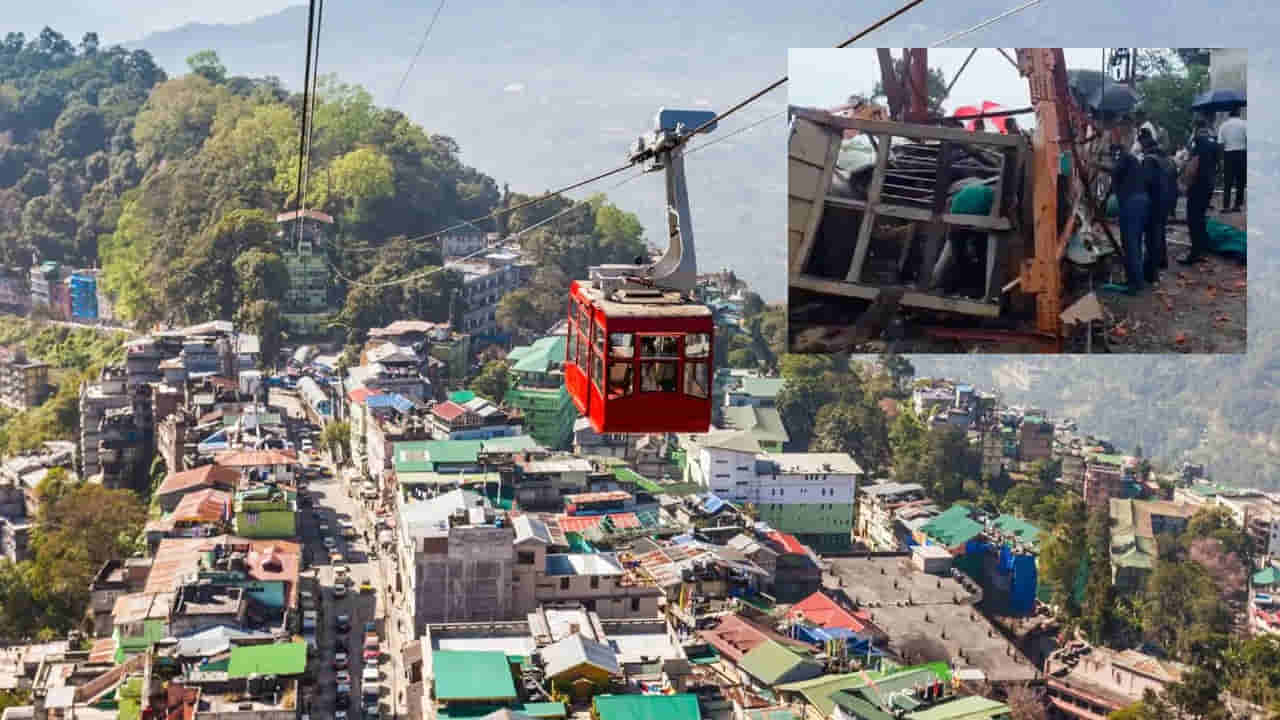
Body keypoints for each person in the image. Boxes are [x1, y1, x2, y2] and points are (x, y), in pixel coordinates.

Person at [1105, 119, 1151, 294]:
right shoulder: (1129, 160)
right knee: (1135, 243)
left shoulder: (1125, 157)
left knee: (1130, 243)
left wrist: (1094, 164)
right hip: (1139, 203)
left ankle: (1134, 285)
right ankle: (1136, 279)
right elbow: (1114, 184)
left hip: (1133, 204)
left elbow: (1113, 171)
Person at [1179, 116, 1218, 264]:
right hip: (1209, 185)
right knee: (1200, 217)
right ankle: (1202, 249)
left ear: (1195, 127)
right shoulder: (1213, 142)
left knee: (1193, 219)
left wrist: (1185, 184)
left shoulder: (1198, 142)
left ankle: (1194, 254)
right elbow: (1216, 165)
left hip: (1197, 186)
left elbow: (1193, 167)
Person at [1140, 130, 1174, 279]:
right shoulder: (1167, 158)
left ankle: (1150, 273)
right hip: (1167, 200)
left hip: (1154, 201)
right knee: (1160, 233)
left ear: (1144, 145)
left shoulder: (1149, 160)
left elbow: (1145, 182)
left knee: (1152, 237)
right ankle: (1162, 261)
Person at [1217, 107, 1246, 212]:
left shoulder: (1223, 126)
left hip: (1228, 154)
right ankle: (1237, 205)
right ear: (1238, 114)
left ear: (1229, 115)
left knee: (1227, 181)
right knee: (1240, 181)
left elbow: (1220, 143)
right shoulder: (1244, 124)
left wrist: (1221, 159)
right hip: (1242, 153)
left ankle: (1226, 206)